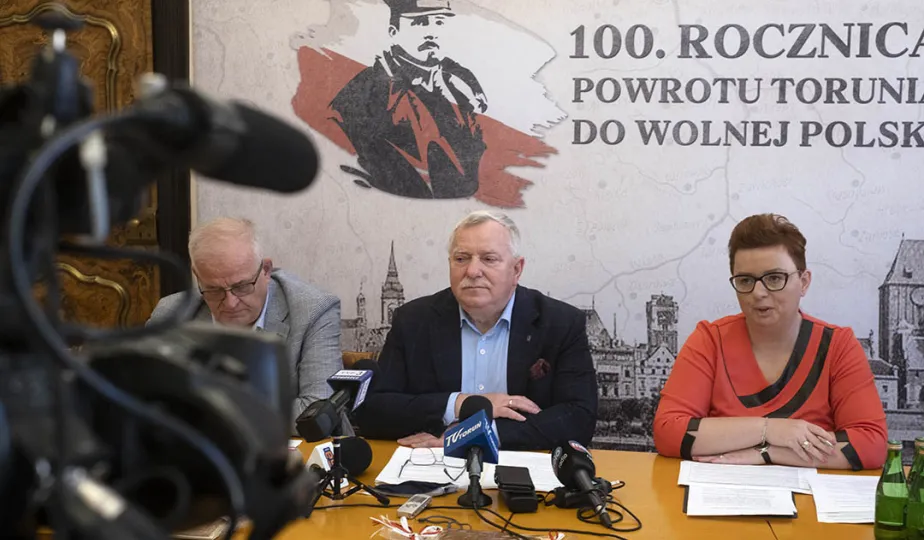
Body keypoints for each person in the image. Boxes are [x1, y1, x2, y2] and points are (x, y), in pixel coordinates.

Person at [653, 213, 887, 470]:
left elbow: (870, 445)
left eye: (774, 278)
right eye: (745, 280)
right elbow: (669, 431)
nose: (758, 293)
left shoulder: (837, 346)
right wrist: (770, 430)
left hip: (811, 494)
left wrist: (768, 452)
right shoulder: (709, 340)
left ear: (804, 282)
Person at [357, 210, 597, 450]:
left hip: (520, 463)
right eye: (461, 258)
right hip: (432, 462)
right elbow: (374, 412)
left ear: (516, 270)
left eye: (489, 259)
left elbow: (579, 418)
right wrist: (460, 404)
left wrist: (474, 434)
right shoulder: (413, 321)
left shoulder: (560, 323)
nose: (472, 271)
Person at [148, 217, 344, 430]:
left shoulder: (313, 310)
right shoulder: (172, 314)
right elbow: (146, 402)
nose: (230, 303)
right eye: (214, 290)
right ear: (197, 277)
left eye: (241, 286)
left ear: (266, 270)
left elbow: (317, 413)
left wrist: (207, 416)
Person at [329, 0, 487, 199]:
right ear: (393, 32)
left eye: (439, 22)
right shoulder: (364, 95)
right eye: (420, 23)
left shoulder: (459, 88)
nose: (431, 32)